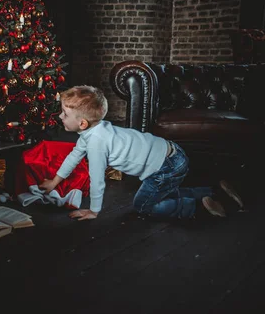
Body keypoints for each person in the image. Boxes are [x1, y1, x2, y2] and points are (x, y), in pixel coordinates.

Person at [39, 85, 244, 221]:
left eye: (64, 114)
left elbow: (97, 180)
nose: (60, 116)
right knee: (164, 193)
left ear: (82, 123)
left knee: (144, 205)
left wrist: (94, 210)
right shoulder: (95, 131)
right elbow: (74, 156)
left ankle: (198, 207)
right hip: (172, 153)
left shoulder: (96, 143)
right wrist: (54, 182)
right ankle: (212, 191)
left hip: (166, 167)